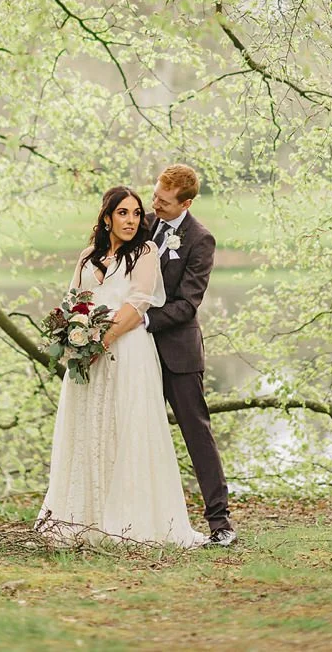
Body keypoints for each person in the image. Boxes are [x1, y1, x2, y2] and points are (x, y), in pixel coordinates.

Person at [36, 185, 206, 546]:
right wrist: (72, 335)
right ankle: (82, 519)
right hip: (87, 360)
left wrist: (101, 341)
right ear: (107, 217)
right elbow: (73, 300)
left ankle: (128, 523)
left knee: (122, 429)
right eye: (122, 213)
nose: (131, 220)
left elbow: (138, 303)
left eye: (135, 213)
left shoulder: (144, 252)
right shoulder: (86, 257)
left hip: (127, 354)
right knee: (87, 429)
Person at [142, 164, 236, 546]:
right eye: (155, 196)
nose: (154, 205)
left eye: (163, 202)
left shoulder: (200, 240)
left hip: (178, 355)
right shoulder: (142, 223)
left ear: (187, 202)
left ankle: (221, 522)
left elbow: (187, 304)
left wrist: (141, 321)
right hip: (137, 355)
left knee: (197, 435)